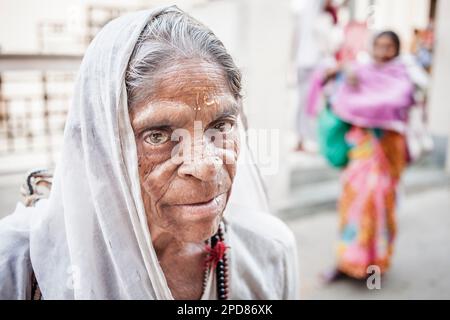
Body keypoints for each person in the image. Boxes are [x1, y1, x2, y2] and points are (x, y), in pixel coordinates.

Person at [0, 6, 298, 299]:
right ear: (103, 146)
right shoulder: (20, 264)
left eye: (221, 125)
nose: (206, 165)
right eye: (158, 135)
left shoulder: (269, 253)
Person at [313, 31, 415, 281]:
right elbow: (332, 94)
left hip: (387, 152)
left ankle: (376, 264)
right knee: (353, 206)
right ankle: (346, 261)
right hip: (361, 151)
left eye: (388, 46)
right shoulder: (358, 71)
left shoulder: (402, 76)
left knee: (381, 205)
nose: (382, 51)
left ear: (397, 49)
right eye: (378, 45)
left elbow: (395, 102)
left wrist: (361, 104)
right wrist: (338, 75)